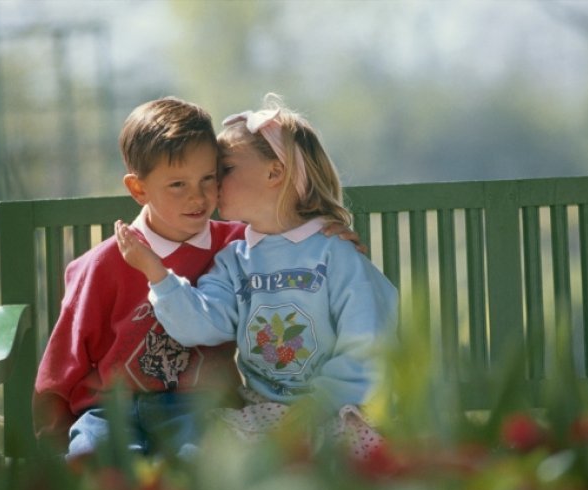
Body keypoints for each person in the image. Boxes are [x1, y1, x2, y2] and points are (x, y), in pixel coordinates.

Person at [33, 96, 362, 460]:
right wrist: (51, 438)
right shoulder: (103, 263)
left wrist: (325, 236)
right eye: (177, 184)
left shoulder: (240, 248)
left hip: (198, 409)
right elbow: (66, 358)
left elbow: (288, 240)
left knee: (201, 464)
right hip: (108, 410)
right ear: (139, 189)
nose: (199, 196)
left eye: (209, 178)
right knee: (94, 462)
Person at [116, 93, 398, 459]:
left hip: (336, 411)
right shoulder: (234, 259)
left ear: (274, 171)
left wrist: (313, 410)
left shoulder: (334, 251)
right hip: (265, 414)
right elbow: (199, 325)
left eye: (225, 169)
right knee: (207, 459)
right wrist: (157, 273)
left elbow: (367, 345)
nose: (214, 185)